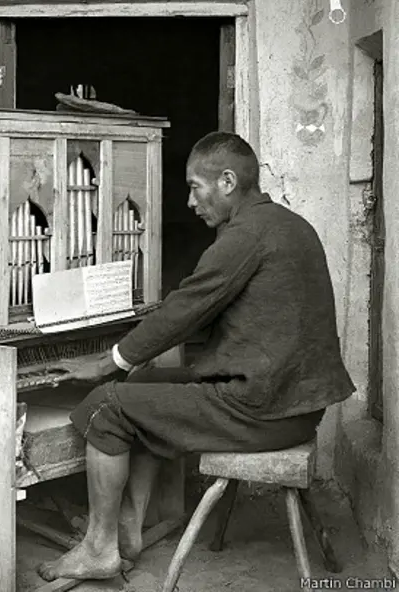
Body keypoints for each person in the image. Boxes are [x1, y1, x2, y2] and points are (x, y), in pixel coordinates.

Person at [38, 131, 355, 583]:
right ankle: (129, 527)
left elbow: (186, 308)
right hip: (293, 407)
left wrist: (111, 360)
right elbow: (225, 311)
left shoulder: (245, 236)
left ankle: (98, 549)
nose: (190, 202)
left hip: (263, 412)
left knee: (106, 405)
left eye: (194, 187)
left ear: (227, 182)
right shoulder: (289, 224)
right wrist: (139, 358)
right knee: (140, 388)